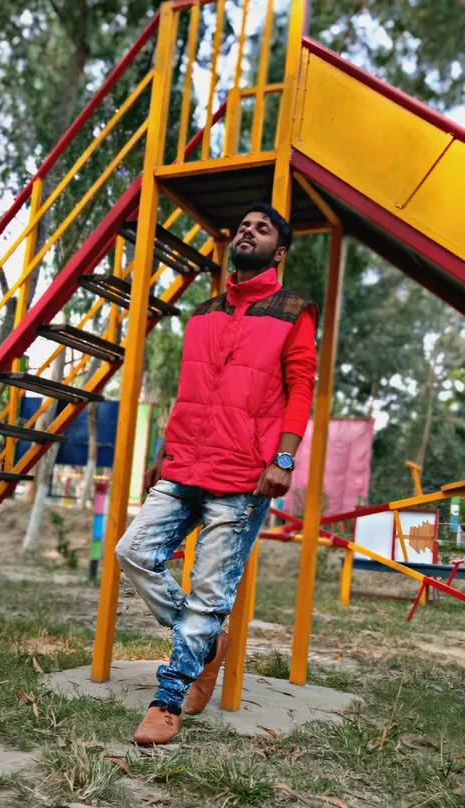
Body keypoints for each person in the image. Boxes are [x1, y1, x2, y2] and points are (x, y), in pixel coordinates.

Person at [116, 201, 318, 745]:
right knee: (131, 552)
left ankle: (168, 701)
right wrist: (165, 446)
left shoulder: (293, 310)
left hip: (244, 474)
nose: (248, 231)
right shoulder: (203, 313)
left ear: (278, 250)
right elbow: (191, 391)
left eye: (263, 228)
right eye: (244, 226)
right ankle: (207, 643)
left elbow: (302, 387)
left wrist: (283, 459)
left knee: (210, 592)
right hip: (185, 465)